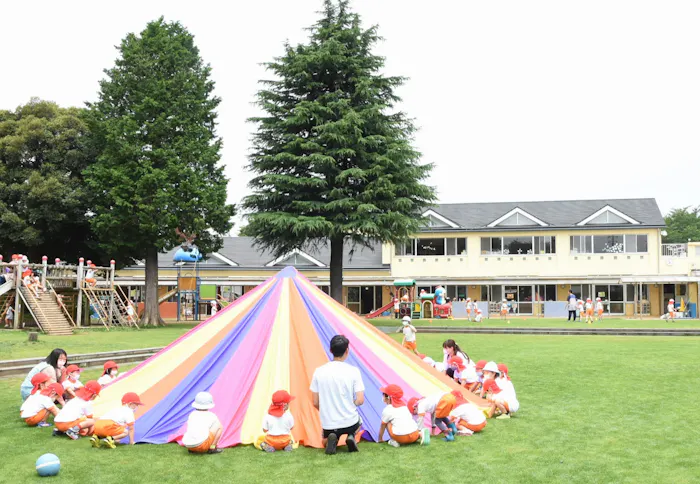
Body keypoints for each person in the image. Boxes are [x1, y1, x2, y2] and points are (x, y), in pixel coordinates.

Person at [310, 334, 365, 455]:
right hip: (350, 421)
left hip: (329, 422)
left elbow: (314, 402)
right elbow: (360, 400)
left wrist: (325, 410)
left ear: (330, 350)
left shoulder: (319, 372)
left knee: (324, 441)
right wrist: (351, 404)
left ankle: (332, 437)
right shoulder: (353, 371)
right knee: (358, 422)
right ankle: (351, 435)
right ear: (347, 350)